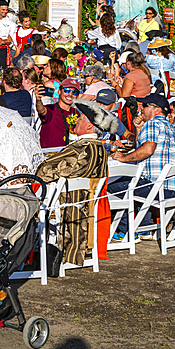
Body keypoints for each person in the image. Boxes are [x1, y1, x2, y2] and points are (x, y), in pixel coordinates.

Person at [35, 101, 109, 266]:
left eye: (81, 119)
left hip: (66, 205)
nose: (76, 120)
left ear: (89, 126)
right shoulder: (99, 148)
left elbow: (45, 171)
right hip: (84, 206)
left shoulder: (82, 148)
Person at [108, 94, 175, 239]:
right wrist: (138, 129)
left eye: (145, 106)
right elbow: (142, 148)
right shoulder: (169, 126)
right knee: (137, 182)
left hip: (157, 188)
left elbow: (147, 150)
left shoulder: (153, 123)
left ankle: (126, 231)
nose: (141, 109)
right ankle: (143, 227)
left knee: (110, 186)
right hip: (170, 189)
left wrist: (123, 158)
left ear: (156, 109)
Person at [38, 77, 80, 148]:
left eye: (74, 92)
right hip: (50, 155)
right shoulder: (51, 109)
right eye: (67, 90)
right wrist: (38, 100)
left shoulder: (76, 113)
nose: (70, 94)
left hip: (68, 155)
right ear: (59, 91)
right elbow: (42, 111)